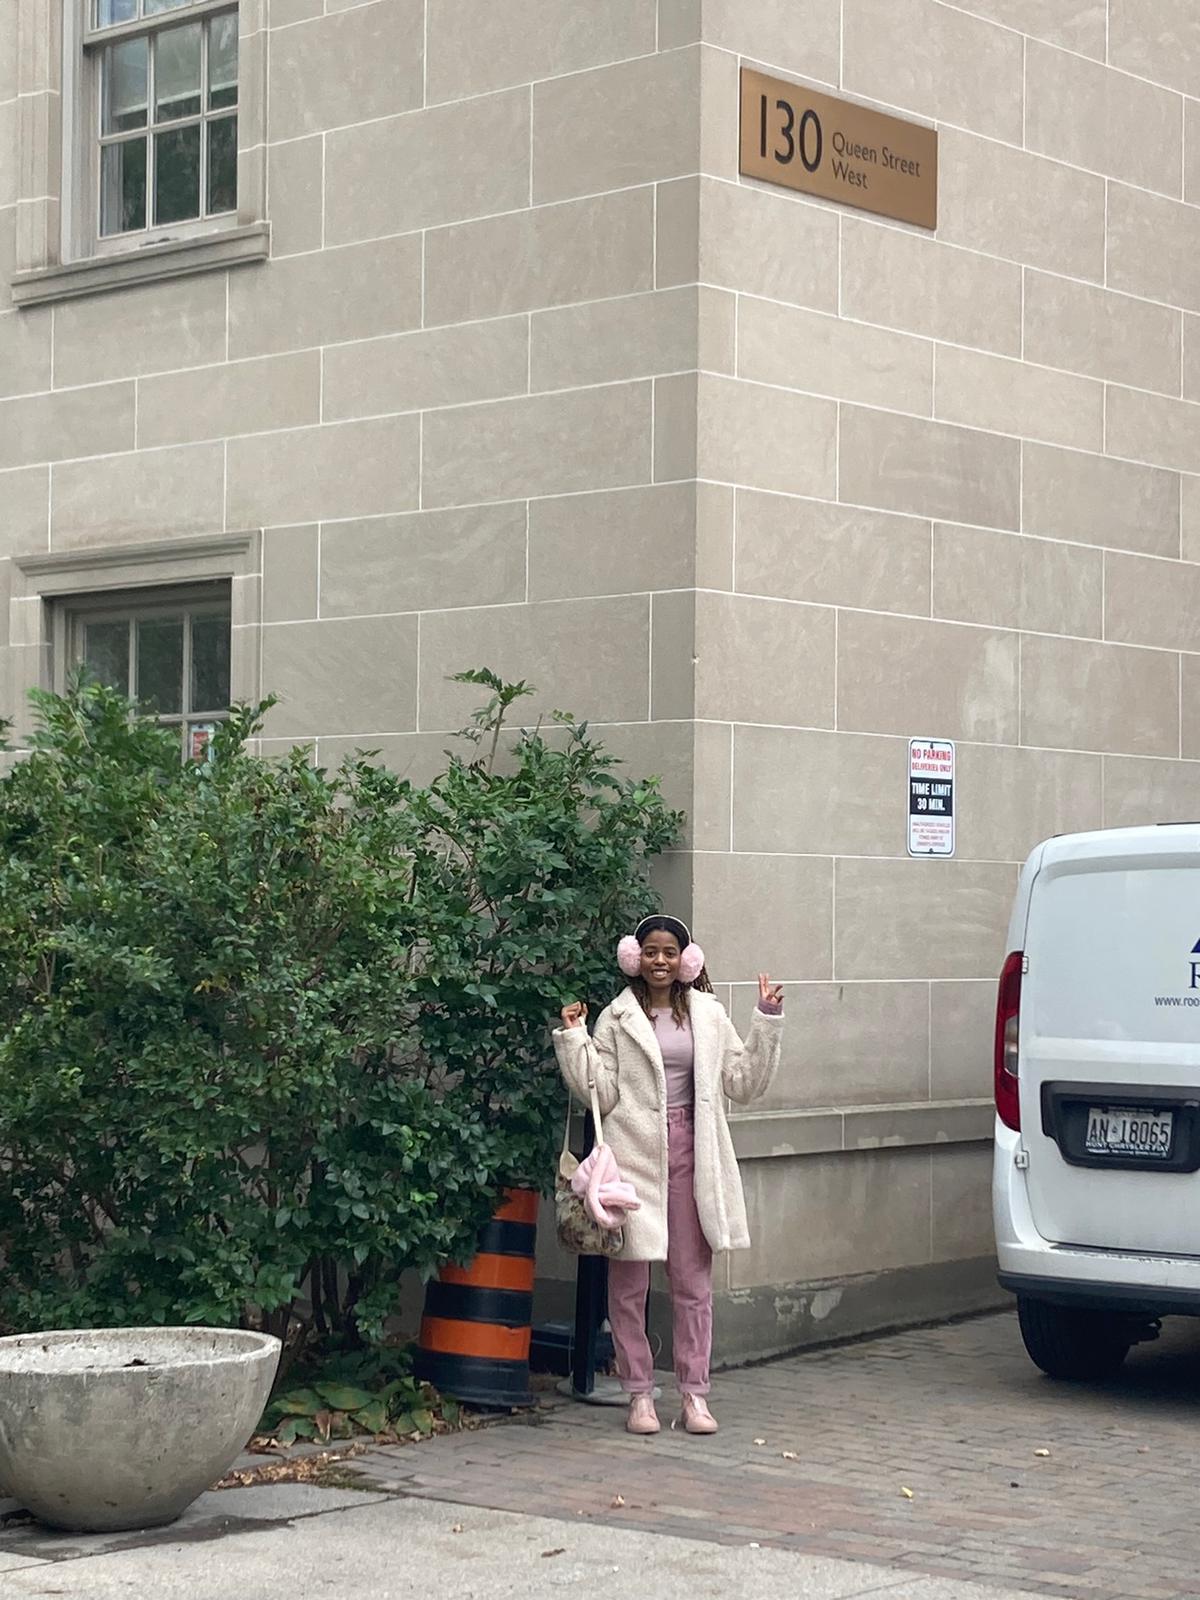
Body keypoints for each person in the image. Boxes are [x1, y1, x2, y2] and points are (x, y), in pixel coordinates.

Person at [553, 913, 784, 1437]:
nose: (660, 960)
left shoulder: (707, 1014)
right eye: (651, 952)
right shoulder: (615, 1018)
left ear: (686, 960)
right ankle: (639, 1395)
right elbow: (601, 1094)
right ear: (634, 958)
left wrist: (766, 1019)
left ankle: (694, 1396)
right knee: (629, 1282)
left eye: (670, 952)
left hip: (694, 1154)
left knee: (692, 1282)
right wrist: (574, 1040)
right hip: (633, 1159)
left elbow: (742, 1082)